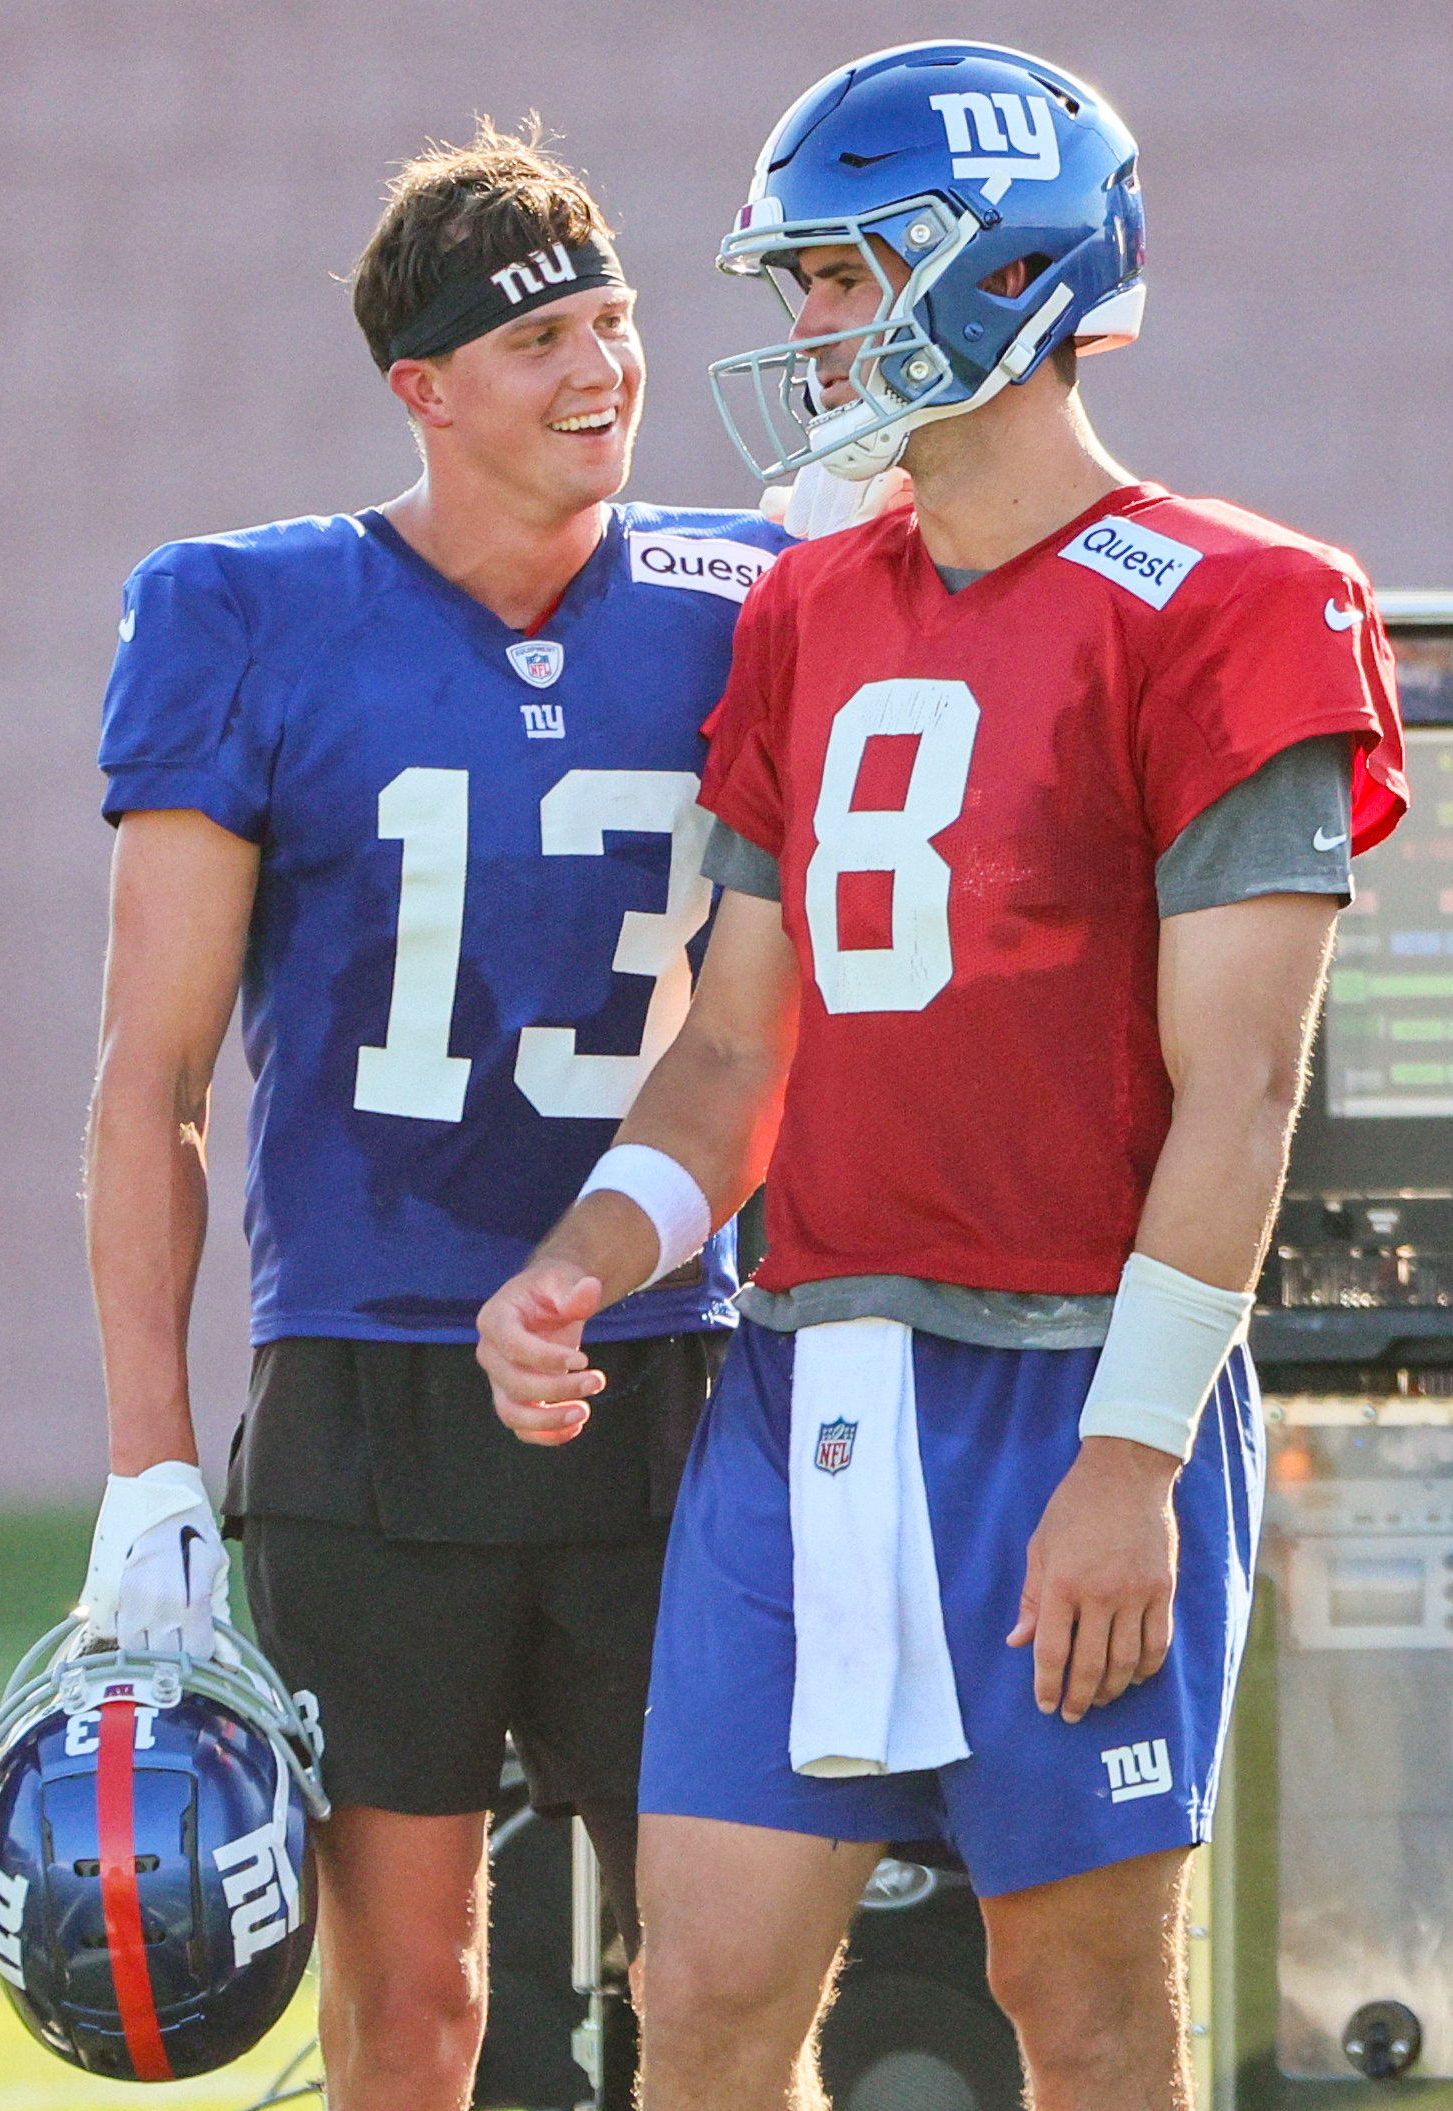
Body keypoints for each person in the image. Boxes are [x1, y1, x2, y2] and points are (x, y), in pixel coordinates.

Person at [476, 43, 1407, 2111]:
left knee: (1079, 2007)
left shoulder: (1241, 605)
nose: (800, 327)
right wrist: (585, 1256)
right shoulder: (810, 607)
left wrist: (1133, 1456)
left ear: (1001, 271)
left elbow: (1243, 1094)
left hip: (1072, 1381)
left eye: (835, 274)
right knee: (700, 1993)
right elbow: (735, 1050)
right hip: (813, 1384)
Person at [78, 121, 804, 2111]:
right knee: (415, 2006)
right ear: (425, 391)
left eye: (617, 317)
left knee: (730, 1987)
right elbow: (151, 1079)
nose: (605, 370)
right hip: (374, 1398)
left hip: (676, 1369)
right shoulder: (246, 613)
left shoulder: (772, 595)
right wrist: (150, 1463)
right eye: (545, 337)